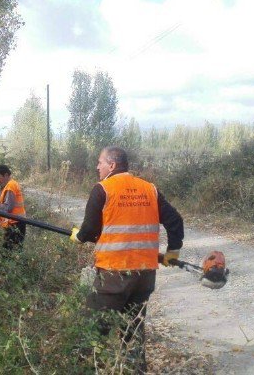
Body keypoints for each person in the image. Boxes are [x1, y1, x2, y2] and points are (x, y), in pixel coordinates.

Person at [70, 146, 184, 374]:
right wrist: (172, 254)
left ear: (112, 165)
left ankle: (86, 369)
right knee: (133, 331)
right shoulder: (149, 189)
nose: (97, 167)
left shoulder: (102, 189)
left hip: (114, 276)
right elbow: (175, 221)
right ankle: (134, 370)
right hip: (144, 277)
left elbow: (91, 230)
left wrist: (78, 236)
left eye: (100, 162)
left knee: (94, 331)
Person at [0, 165, 26, 250]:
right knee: (14, 252)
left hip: (15, 224)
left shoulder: (10, 186)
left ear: (6, 175)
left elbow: (8, 207)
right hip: (16, 223)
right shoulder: (11, 184)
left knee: (8, 253)